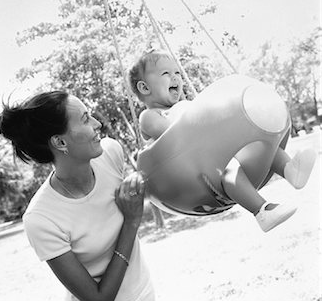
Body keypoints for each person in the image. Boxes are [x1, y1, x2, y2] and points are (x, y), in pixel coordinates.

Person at [0, 91, 155, 301]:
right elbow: (100, 300)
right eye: (86, 119)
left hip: (144, 296)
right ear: (60, 142)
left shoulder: (110, 153)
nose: (98, 124)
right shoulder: (40, 218)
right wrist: (131, 222)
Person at [128, 49, 316, 232]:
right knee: (230, 170)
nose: (176, 77)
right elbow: (175, 133)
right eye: (166, 73)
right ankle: (262, 211)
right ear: (145, 88)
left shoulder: (185, 105)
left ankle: (291, 170)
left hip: (213, 154)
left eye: (177, 72)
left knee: (262, 144)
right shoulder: (149, 116)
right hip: (196, 174)